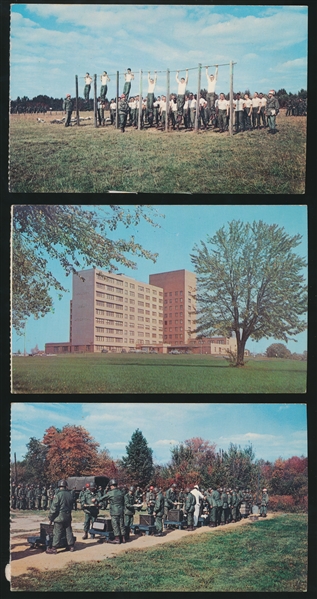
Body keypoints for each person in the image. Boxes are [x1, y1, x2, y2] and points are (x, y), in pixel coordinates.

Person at [46, 479, 75, 554]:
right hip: (68, 515)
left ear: (59, 486)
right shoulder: (70, 494)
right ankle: (71, 546)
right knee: (68, 531)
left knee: (57, 532)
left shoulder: (58, 495)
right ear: (66, 486)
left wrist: (50, 517)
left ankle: (54, 548)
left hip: (59, 516)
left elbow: (54, 508)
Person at [98, 479, 125, 544]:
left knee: (115, 524)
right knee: (121, 524)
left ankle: (117, 539)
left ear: (112, 486)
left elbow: (102, 498)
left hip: (114, 511)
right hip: (121, 510)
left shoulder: (111, 493)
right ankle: (123, 538)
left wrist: (96, 500)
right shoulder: (121, 492)